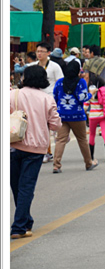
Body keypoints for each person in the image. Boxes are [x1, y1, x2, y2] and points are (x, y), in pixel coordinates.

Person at [10, 65, 62, 239]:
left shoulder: (12, 95)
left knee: (16, 186)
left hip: (13, 145)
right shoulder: (47, 99)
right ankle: (19, 226)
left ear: (25, 78)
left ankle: (25, 221)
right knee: (26, 187)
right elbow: (56, 124)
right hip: (36, 148)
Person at [52, 61, 98, 173]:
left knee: (60, 140)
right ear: (78, 71)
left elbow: (54, 97)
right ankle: (88, 163)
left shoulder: (59, 82)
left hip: (62, 115)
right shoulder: (81, 82)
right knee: (82, 139)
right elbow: (82, 98)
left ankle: (56, 165)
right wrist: (91, 93)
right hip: (77, 115)